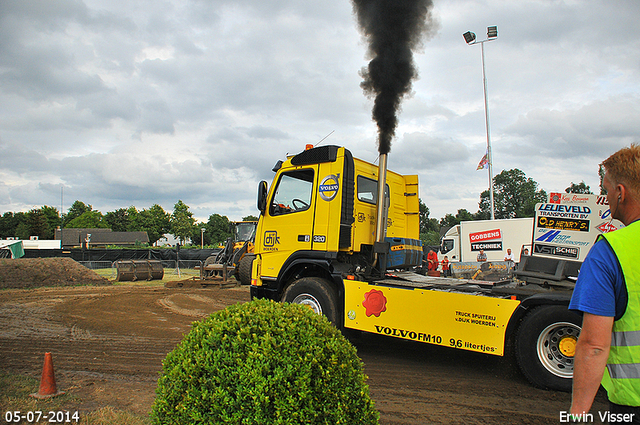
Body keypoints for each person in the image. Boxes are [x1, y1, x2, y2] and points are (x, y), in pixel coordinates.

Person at [569, 144, 640, 420]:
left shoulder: (610, 251)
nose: (605, 197)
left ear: (620, 193)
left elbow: (594, 346)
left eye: (606, 189)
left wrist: (578, 414)